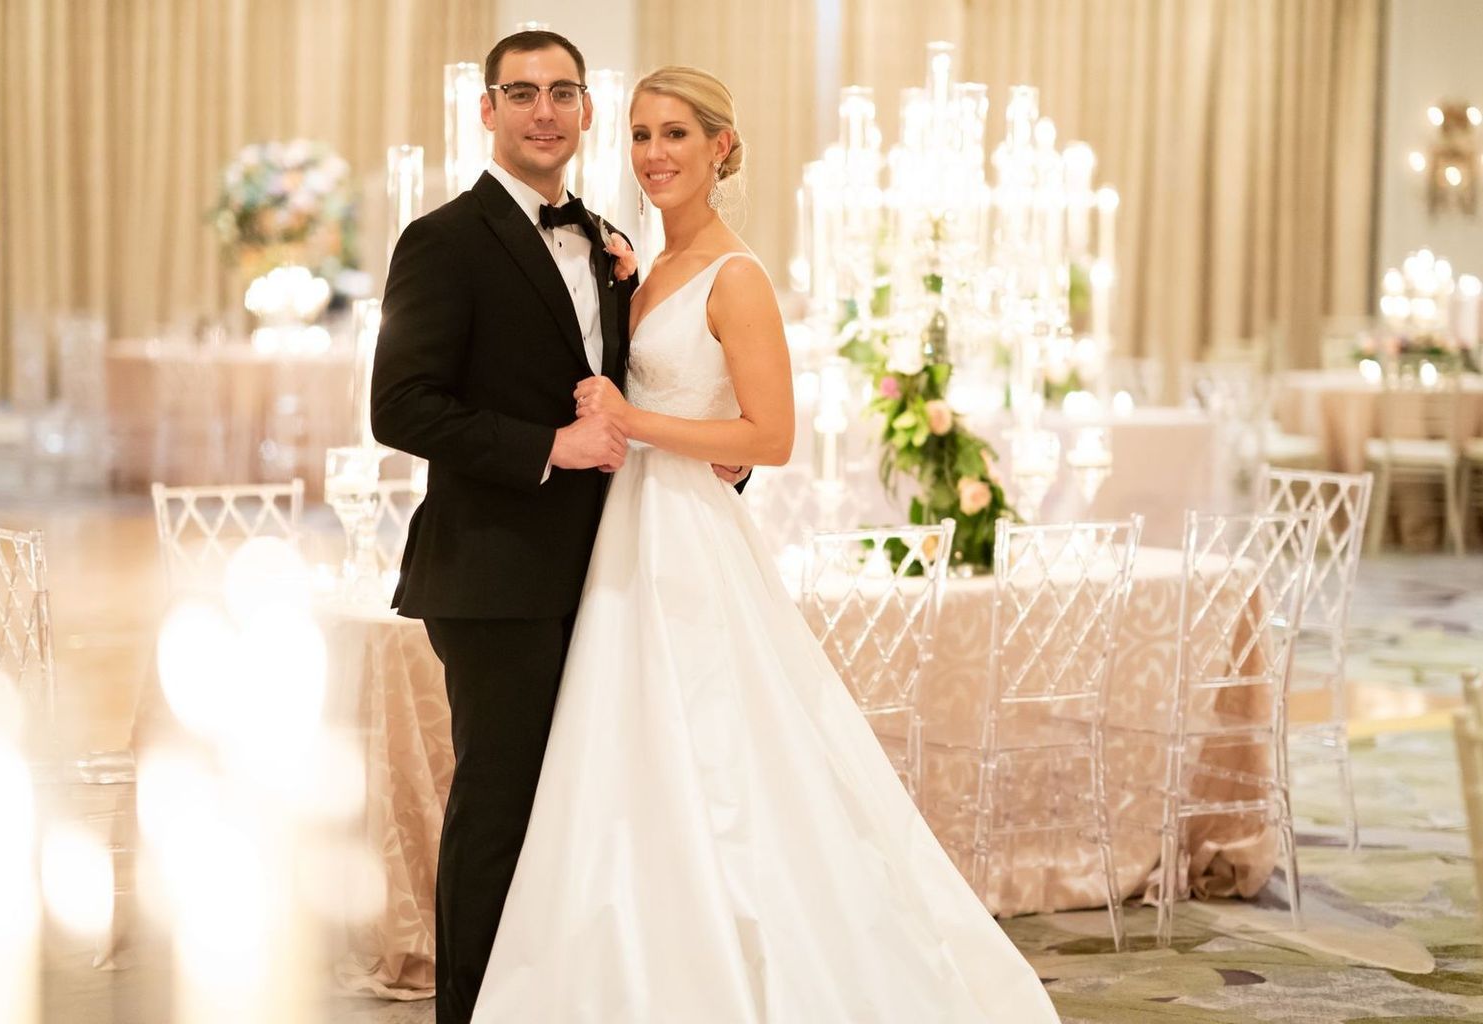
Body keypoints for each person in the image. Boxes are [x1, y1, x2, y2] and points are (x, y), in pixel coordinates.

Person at [469, 66, 1061, 1022]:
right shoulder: (647, 265)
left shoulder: (736, 277)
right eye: (639, 135)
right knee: (626, 759)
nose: (653, 155)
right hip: (629, 535)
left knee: (715, 755)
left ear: (720, 149)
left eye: (674, 136)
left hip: (689, 546)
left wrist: (636, 420)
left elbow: (769, 438)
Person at [370, 31, 747, 1023]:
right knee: (501, 810)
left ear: (585, 111)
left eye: (565, 92)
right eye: (523, 93)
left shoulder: (615, 244)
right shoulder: (442, 240)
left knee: (586, 807)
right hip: (494, 576)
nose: (546, 111)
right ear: (487, 111)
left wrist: (722, 457)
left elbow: (644, 393)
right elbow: (399, 406)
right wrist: (550, 445)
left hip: (614, 569)